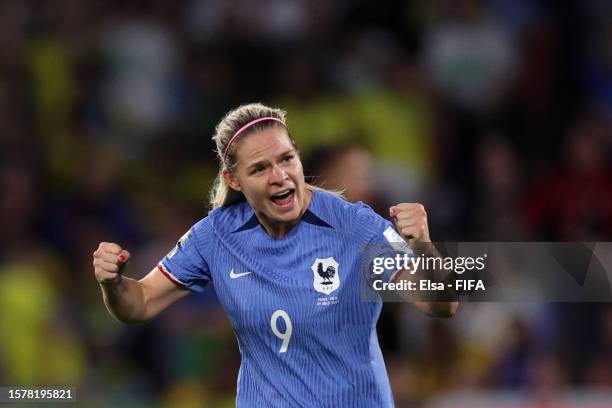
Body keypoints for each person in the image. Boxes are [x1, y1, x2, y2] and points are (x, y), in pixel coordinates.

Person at [93, 103, 458, 407]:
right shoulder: (216, 235)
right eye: (260, 168)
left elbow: (441, 304)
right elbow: (138, 303)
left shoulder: (354, 226)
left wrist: (424, 245)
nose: (280, 176)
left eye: (286, 159)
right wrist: (113, 283)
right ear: (234, 180)